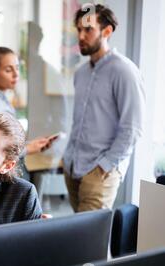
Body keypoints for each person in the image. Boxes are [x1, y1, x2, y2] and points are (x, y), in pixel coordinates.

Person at [63, 5, 145, 212]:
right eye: (78, 30)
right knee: (78, 232)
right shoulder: (80, 73)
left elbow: (133, 128)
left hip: (100, 171)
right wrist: (67, 159)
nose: (81, 36)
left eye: (88, 30)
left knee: (90, 239)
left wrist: (106, 166)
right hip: (73, 166)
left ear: (107, 31)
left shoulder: (124, 71)